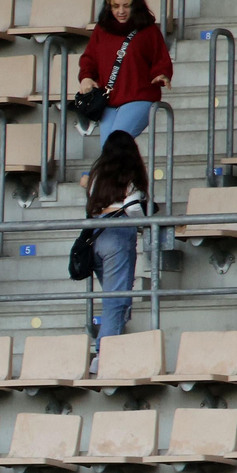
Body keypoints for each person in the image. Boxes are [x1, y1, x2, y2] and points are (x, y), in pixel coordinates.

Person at [78, 0, 172, 146]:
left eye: (126, 6)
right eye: (116, 6)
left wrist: (161, 74)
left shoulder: (149, 31)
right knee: (108, 151)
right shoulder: (101, 29)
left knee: (115, 146)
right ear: (109, 7)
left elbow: (160, 59)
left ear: (135, 5)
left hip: (139, 97)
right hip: (109, 101)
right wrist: (86, 77)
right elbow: (89, 59)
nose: (121, 11)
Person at [83, 130, 149, 364]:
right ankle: (103, 357)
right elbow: (132, 208)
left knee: (116, 298)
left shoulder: (96, 176)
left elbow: (91, 202)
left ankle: (113, 350)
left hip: (96, 235)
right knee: (117, 300)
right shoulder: (131, 176)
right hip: (118, 235)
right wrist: (147, 220)